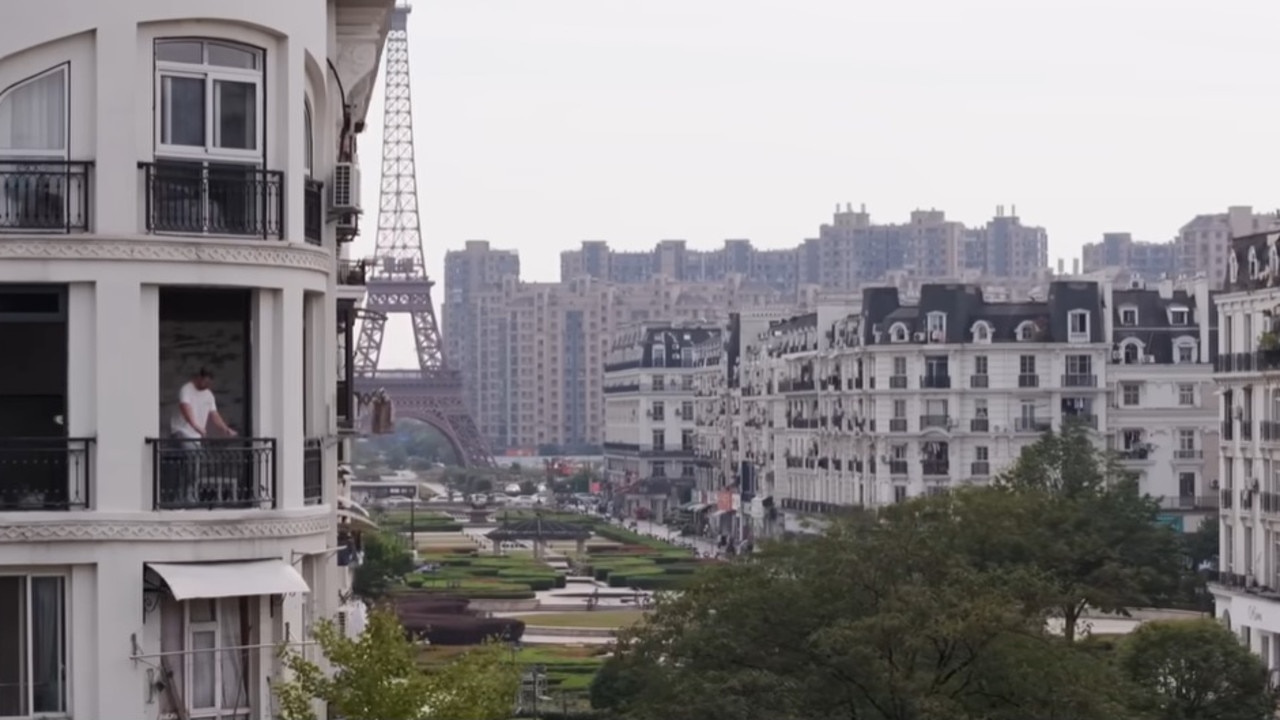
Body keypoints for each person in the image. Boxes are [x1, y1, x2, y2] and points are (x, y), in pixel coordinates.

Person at [169, 368, 236, 503]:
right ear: (199, 378)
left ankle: (186, 497)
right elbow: (185, 408)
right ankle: (187, 497)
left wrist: (225, 429)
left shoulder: (209, 395)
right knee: (192, 459)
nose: (206, 386)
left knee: (193, 466)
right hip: (181, 432)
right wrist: (196, 426)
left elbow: (214, 414)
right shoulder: (186, 390)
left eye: (209, 384)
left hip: (195, 436)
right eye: (205, 382)